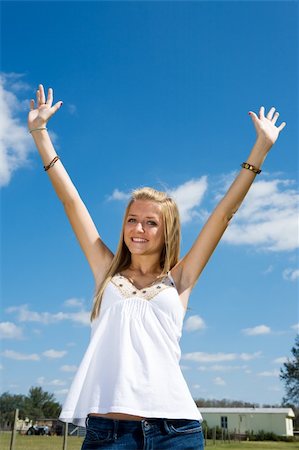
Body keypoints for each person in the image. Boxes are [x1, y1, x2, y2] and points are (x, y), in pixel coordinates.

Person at [28, 85, 286, 450]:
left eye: (151, 222)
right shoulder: (106, 272)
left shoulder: (180, 279)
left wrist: (260, 149)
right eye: (132, 219)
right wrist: (40, 134)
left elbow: (224, 214)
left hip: (176, 434)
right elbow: (72, 202)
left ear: (167, 231)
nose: (138, 229)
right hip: (108, 435)